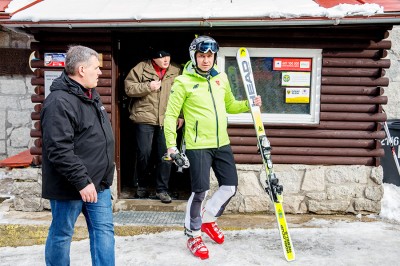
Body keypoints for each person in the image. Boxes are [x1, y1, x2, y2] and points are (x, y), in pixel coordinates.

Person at [164, 36, 262, 260]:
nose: (206, 60)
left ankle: (207, 220)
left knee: (230, 187)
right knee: (200, 192)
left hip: (222, 142)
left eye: (209, 56)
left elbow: (229, 105)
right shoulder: (183, 82)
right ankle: (193, 234)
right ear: (194, 57)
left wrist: (249, 104)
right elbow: (170, 115)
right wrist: (171, 145)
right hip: (198, 145)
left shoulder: (221, 78)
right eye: (201, 56)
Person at [40, 45, 115, 266]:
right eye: (96, 67)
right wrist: (82, 181)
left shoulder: (91, 96)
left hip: (98, 184)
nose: (100, 72)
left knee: (104, 232)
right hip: (70, 185)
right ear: (82, 69)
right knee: (62, 233)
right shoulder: (58, 102)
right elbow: (58, 149)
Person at [124, 49, 182, 203]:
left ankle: (162, 190)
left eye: (168, 56)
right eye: (161, 56)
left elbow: (182, 94)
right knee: (144, 153)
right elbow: (128, 88)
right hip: (145, 117)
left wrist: (181, 115)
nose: (165, 59)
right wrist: (148, 86)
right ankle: (141, 186)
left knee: (166, 155)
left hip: (167, 118)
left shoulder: (176, 70)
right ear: (153, 58)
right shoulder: (142, 67)